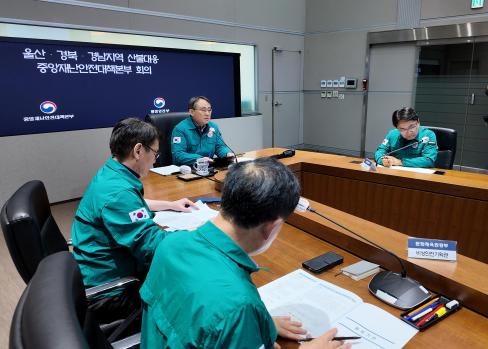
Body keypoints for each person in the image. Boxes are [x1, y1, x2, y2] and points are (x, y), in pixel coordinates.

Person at [140, 157, 351, 349]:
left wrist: (259, 325)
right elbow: (223, 312)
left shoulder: (171, 243)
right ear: (271, 227)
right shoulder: (239, 307)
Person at [72, 118, 197, 322]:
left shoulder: (111, 173)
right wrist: (198, 235)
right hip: (112, 294)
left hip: (100, 271)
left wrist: (169, 204)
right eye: (155, 153)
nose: (156, 159)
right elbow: (153, 246)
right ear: (138, 150)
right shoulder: (118, 193)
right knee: (189, 292)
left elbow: (132, 204)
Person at [171, 96, 234, 166]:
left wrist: (227, 154)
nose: (207, 113)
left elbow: (220, 147)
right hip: (187, 170)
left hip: (208, 169)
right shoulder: (180, 129)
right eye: (203, 110)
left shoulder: (213, 127)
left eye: (209, 110)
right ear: (191, 112)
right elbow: (178, 155)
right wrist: (200, 159)